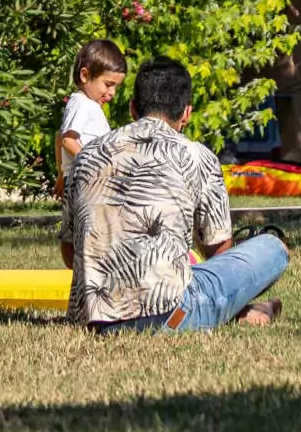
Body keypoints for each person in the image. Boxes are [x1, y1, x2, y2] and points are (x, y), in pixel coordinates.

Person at [61, 57, 289, 333]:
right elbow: (218, 250)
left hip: (93, 320)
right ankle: (242, 311)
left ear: (133, 109)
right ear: (187, 114)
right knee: (273, 247)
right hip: (168, 315)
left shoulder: (87, 156)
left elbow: (70, 248)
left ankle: (246, 311)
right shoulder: (195, 155)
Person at [53, 39, 127, 205]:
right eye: (108, 85)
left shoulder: (86, 105)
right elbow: (68, 140)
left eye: (116, 87)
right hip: (86, 181)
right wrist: (96, 165)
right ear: (85, 75)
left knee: (78, 228)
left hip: (80, 179)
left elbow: (59, 137)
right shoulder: (81, 103)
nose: (112, 92)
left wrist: (61, 174)